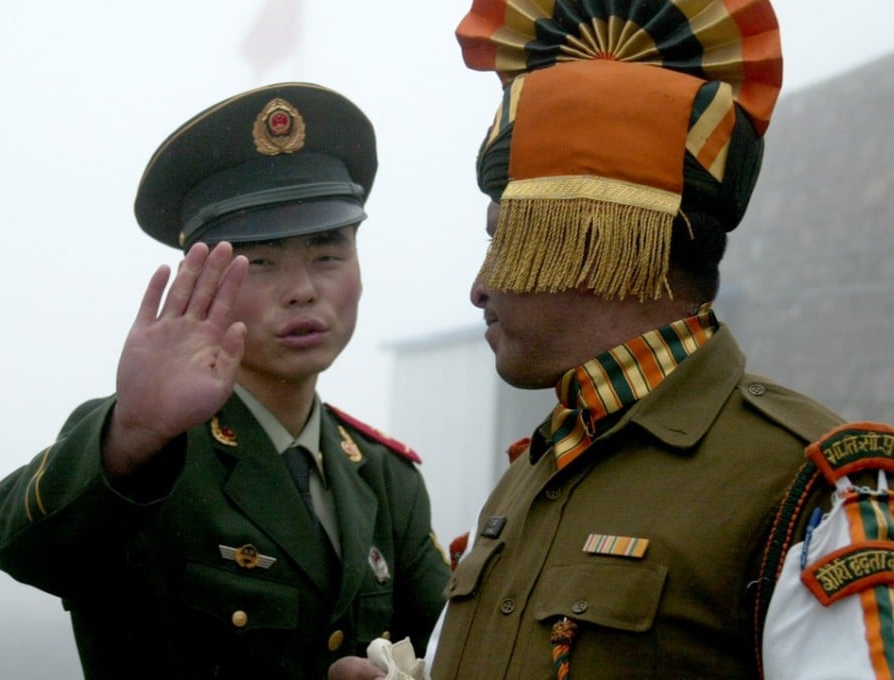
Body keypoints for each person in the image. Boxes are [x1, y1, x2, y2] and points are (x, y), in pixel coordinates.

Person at [330, 1, 894, 679]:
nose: (479, 288)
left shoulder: (810, 488)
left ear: (593, 240)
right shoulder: (529, 475)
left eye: (501, 241)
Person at [0, 82, 450, 679]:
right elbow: (13, 544)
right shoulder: (147, 450)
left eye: (328, 255)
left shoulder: (385, 479)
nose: (303, 289)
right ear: (201, 282)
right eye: (262, 262)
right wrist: (130, 434)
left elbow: (455, 645)